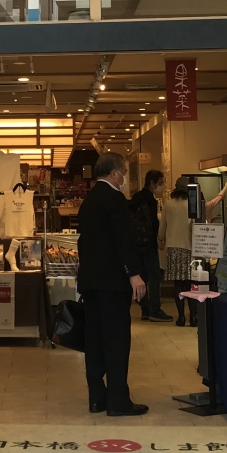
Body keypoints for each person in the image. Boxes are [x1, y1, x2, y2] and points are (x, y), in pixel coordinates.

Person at [77, 152, 149, 417]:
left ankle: (97, 398)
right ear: (115, 173)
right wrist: (134, 274)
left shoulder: (88, 201)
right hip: (112, 283)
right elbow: (123, 240)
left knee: (94, 340)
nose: (125, 178)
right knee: (116, 341)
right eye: (124, 173)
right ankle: (118, 400)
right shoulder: (115, 199)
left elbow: (84, 242)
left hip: (90, 282)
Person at [131, 169, 172, 322]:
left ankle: (145, 309)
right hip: (148, 244)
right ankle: (155, 309)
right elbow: (154, 224)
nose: (161, 186)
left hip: (136, 244)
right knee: (154, 276)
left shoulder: (135, 198)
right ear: (153, 183)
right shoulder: (150, 200)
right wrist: (159, 239)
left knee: (142, 276)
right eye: (160, 183)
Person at [158, 181, 196, 326]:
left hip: (172, 248)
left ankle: (181, 317)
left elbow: (162, 226)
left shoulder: (168, 204)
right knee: (190, 284)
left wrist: (160, 239)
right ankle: (193, 317)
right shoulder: (191, 205)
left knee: (178, 284)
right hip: (188, 247)